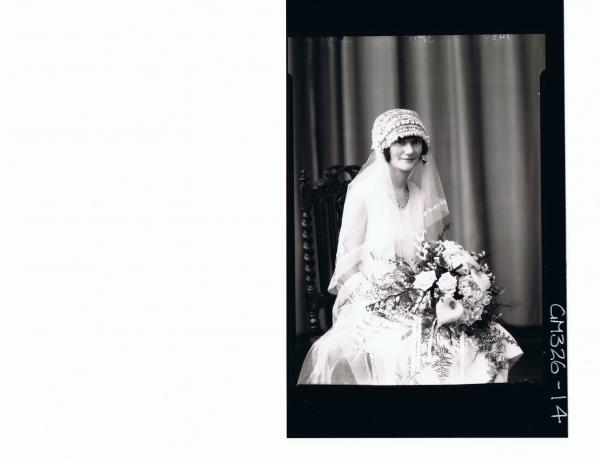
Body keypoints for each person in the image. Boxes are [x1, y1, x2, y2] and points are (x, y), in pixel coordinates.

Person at [297, 109, 523, 385]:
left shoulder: (419, 195)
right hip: (371, 300)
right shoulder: (364, 192)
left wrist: (442, 285)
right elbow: (346, 266)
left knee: (469, 336)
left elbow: (424, 258)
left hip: (414, 297)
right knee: (414, 347)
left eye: (415, 142)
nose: (409, 150)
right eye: (400, 141)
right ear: (384, 147)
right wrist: (379, 296)